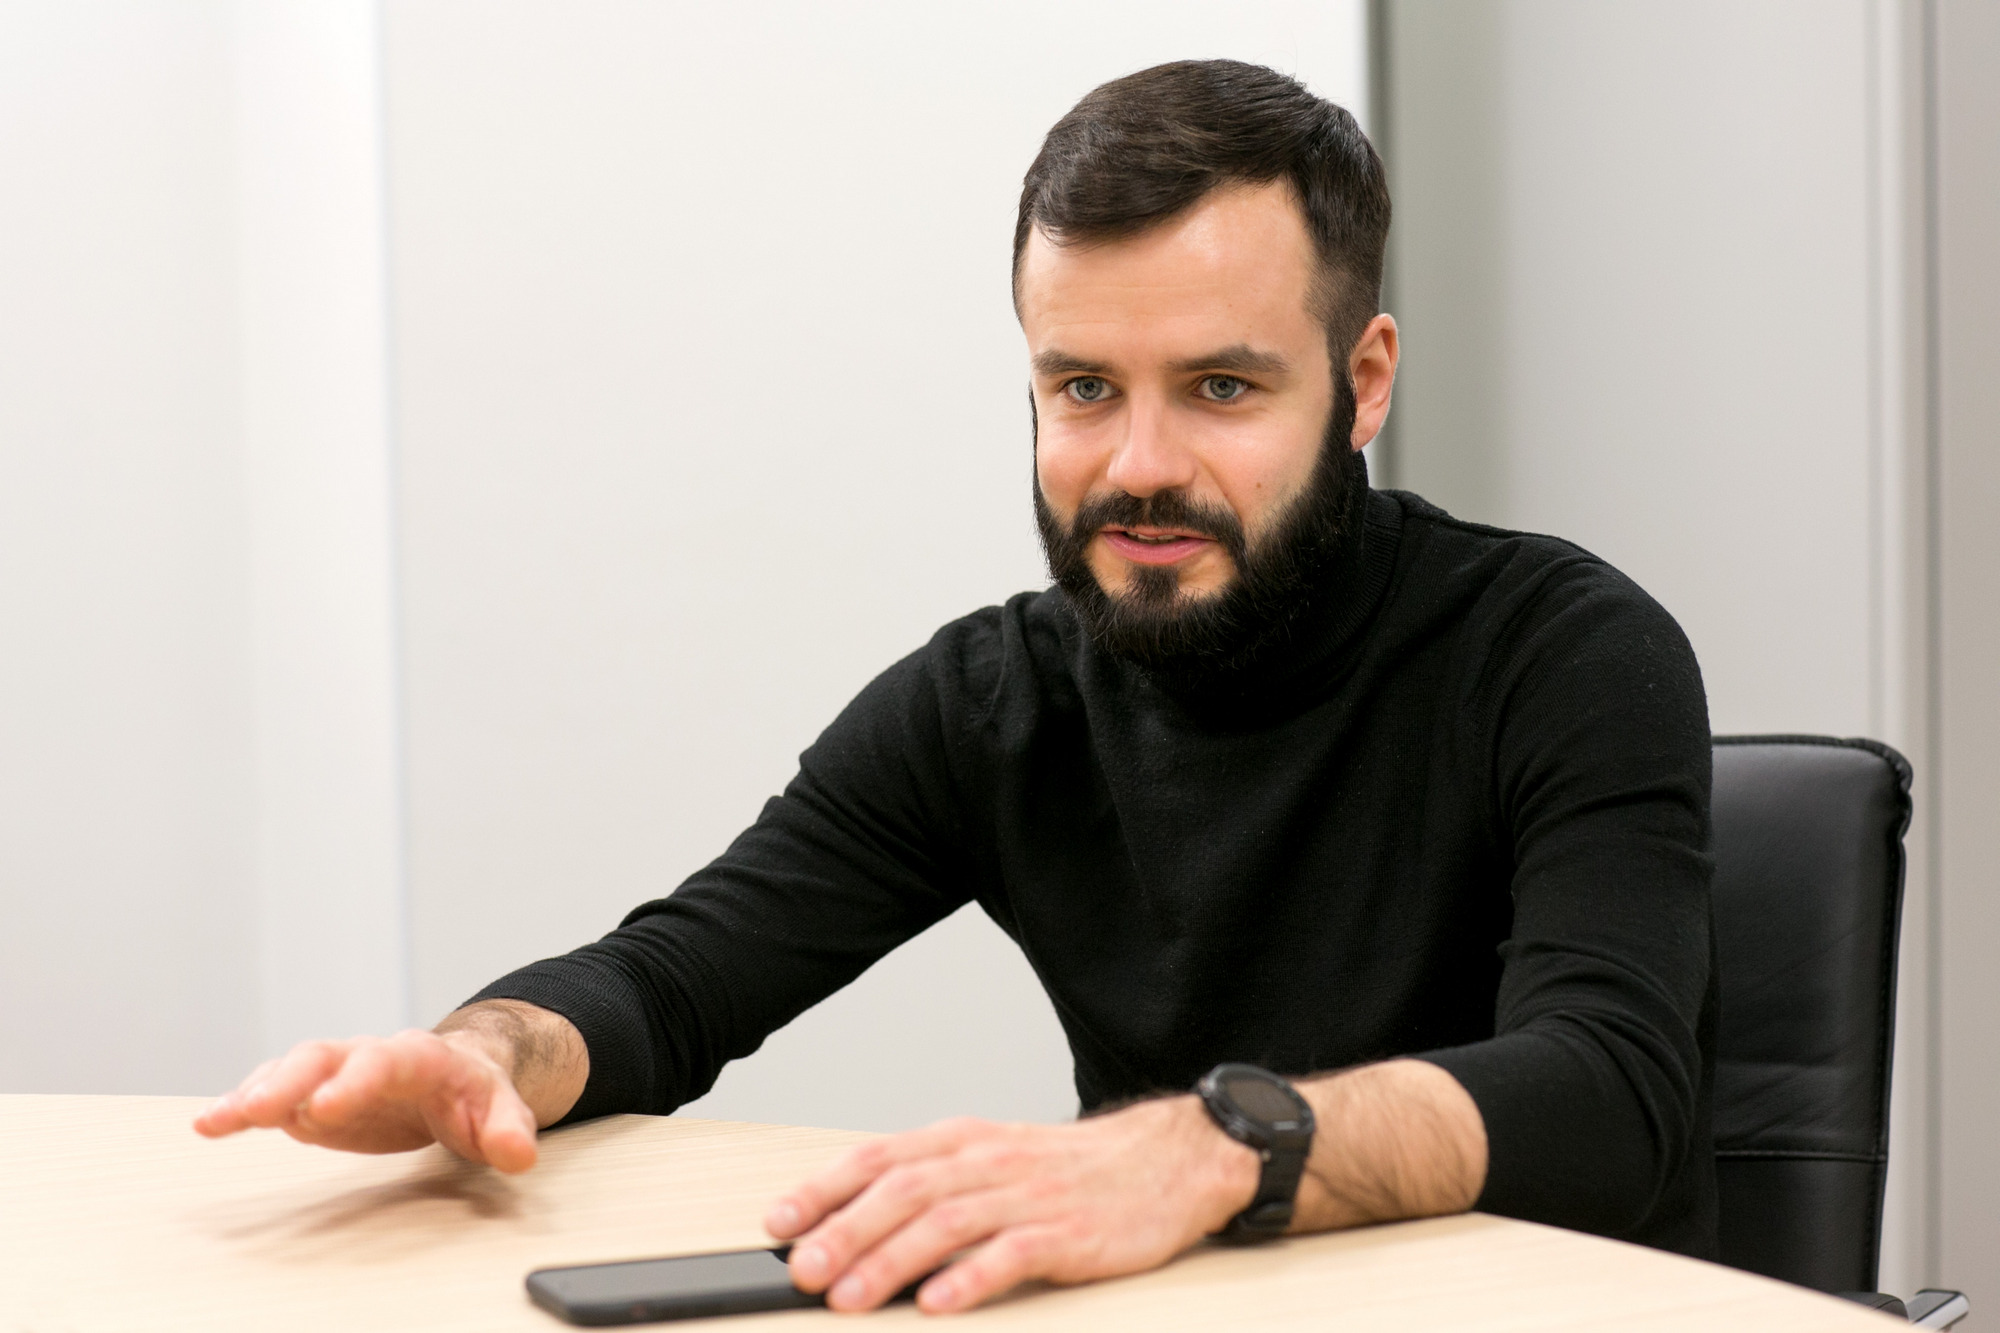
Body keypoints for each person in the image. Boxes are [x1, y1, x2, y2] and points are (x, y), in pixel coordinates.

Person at [196, 59, 1715, 1315]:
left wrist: (1205, 1148)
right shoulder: (993, 701)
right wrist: (482, 1057)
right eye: (1083, 388)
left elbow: (1610, 1092)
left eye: (1222, 387)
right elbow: (672, 981)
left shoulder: (1564, 649)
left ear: (1364, 380)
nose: (1140, 466)